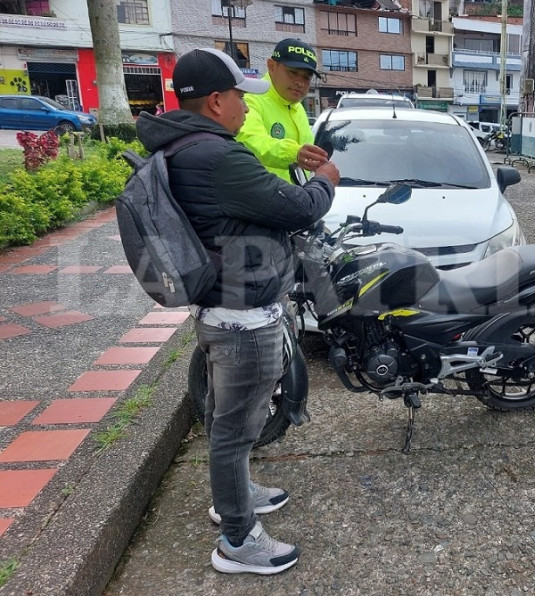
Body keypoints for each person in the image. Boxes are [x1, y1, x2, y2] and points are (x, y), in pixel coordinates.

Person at [136, 48, 340, 575]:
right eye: (239, 99)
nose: (246, 108)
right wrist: (326, 179)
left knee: (231, 419)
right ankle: (238, 539)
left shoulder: (182, 146)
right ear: (215, 101)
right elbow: (299, 207)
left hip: (221, 308)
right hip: (242, 317)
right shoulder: (218, 157)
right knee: (234, 427)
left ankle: (237, 493)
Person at [237, 38, 327, 182]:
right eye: (292, 72)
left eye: (306, 77)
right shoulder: (250, 101)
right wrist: (294, 153)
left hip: (295, 194)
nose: (300, 83)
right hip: (262, 194)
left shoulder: (297, 108)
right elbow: (249, 140)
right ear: (271, 66)